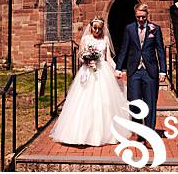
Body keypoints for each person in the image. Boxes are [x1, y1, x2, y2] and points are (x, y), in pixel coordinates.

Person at [50, 17, 129, 146]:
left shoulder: (105, 39)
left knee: (104, 103)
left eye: (99, 28)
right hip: (88, 71)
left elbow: (108, 58)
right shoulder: (86, 39)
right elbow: (81, 56)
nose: (97, 30)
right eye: (95, 28)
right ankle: (80, 134)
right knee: (83, 102)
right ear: (91, 27)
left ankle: (105, 133)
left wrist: (117, 69)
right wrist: (87, 60)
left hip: (102, 72)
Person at [115, 3, 167, 131]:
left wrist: (163, 71)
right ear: (135, 15)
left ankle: (149, 132)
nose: (141, 20)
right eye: (138, 17)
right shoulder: (129, 29)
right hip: (134, 71)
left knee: (150, 102)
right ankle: (137, 131)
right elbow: (124, 49)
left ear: (147, 15)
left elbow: (160, 50)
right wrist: (118, 68)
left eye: (143, 17)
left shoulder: (155, 29)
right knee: (134, 102)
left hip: (150, 72)